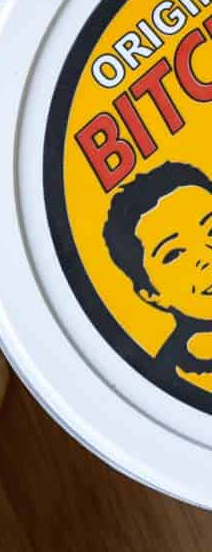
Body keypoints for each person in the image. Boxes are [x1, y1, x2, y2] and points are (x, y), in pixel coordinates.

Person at [103, 159, 212, 391]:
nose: (206, 255)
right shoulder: (175, 386)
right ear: (151, 294)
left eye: (210, 229)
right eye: (175, 254)